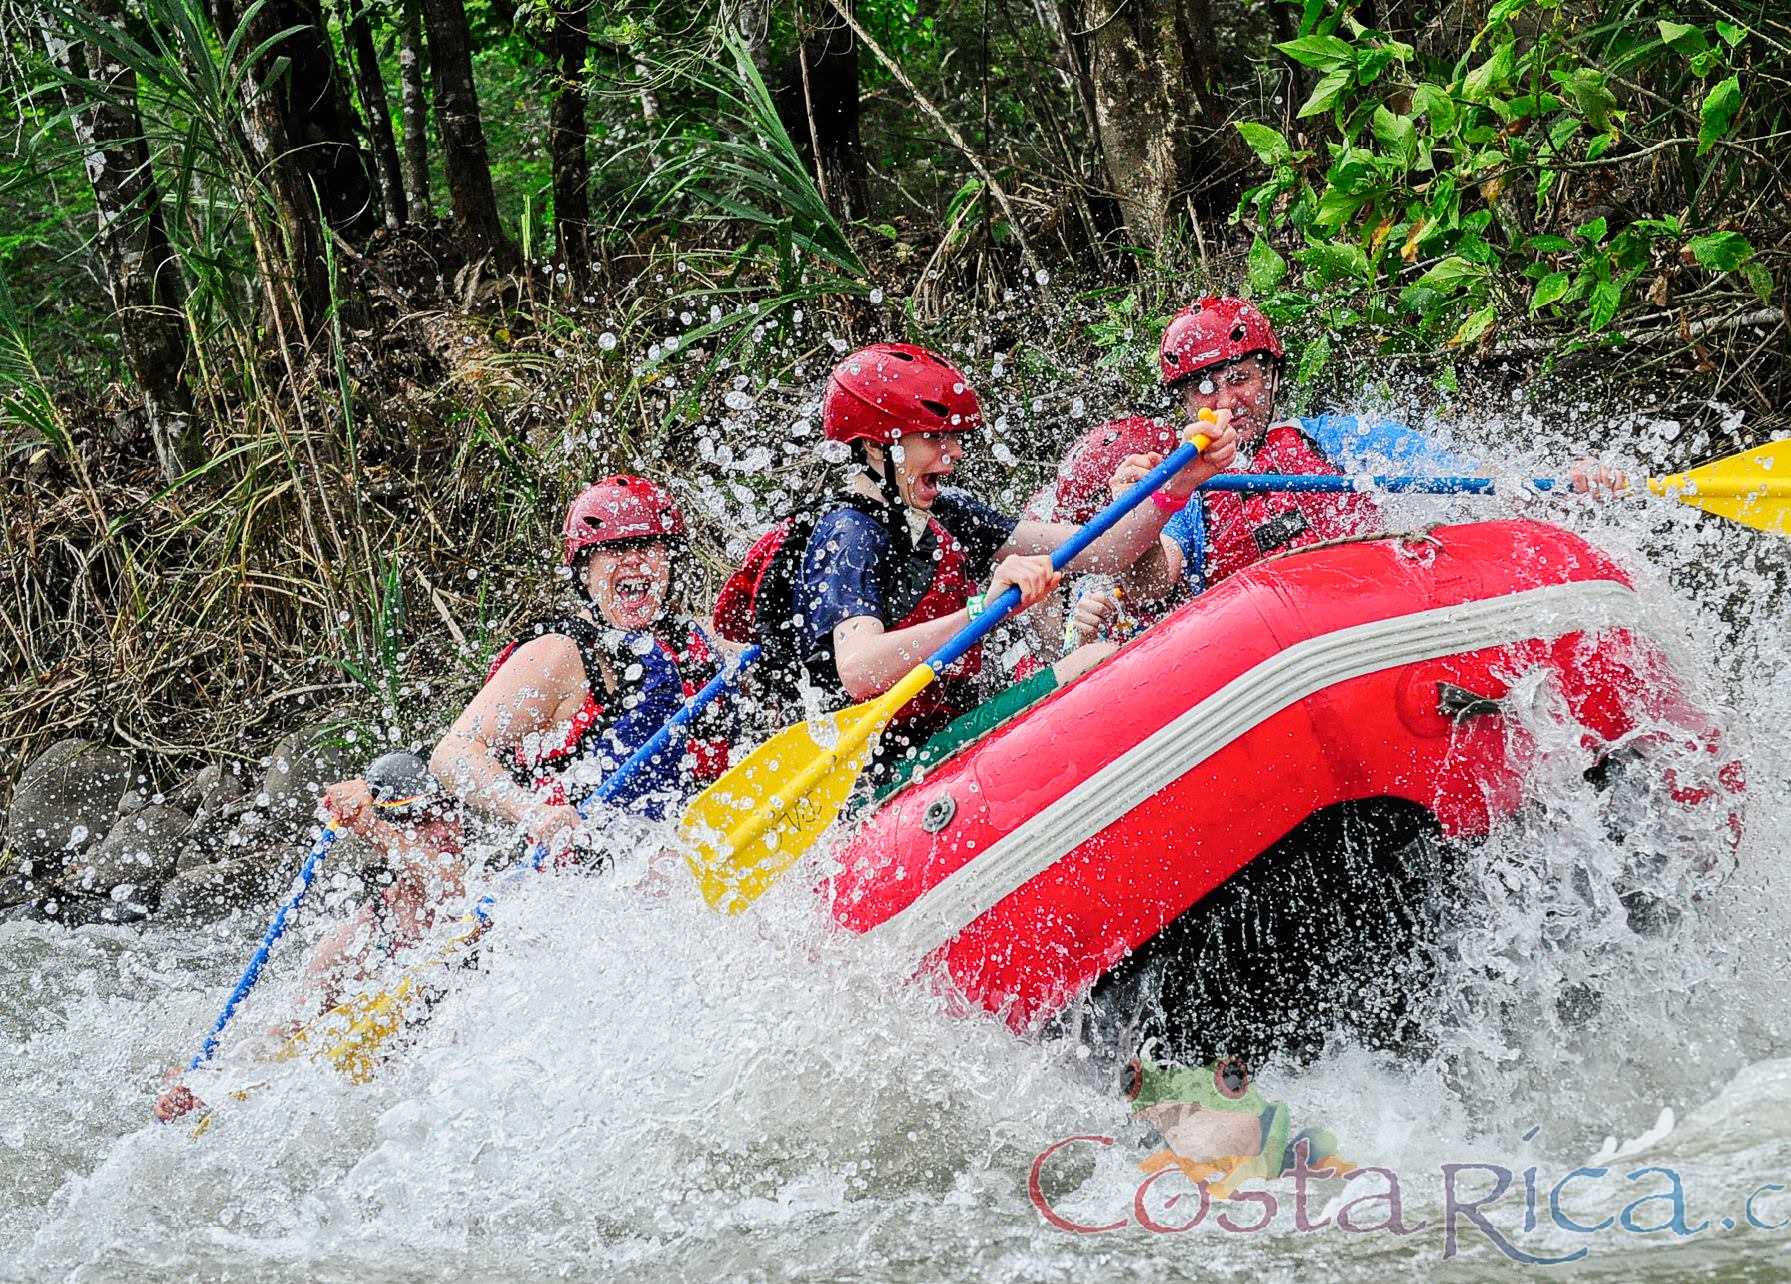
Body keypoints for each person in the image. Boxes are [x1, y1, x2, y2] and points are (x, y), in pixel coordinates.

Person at [712, 341, 1235, 780]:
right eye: (934, 438)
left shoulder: (946, 512)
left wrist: (1178, 483)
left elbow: (1104, 549)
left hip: (941, 734)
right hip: (876, 770)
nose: (954, 453)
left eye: (954, 438)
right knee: (1088, 662)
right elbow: (859, 669)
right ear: (876, 449)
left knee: (1094, 655)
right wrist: (979, 608)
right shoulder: (847, 535)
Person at [1078, 297, 1628, 626]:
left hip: (1365, 613)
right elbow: (1157, 580)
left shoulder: (1338, 440)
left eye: (1241, 378)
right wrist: (1144, 520)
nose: (1225, 403)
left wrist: (1563, 484)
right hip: (1264, 651)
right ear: (1186, 404)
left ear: (1270, 378)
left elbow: (1466, 484)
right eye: (1204, 389)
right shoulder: (1178, 484)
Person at [154, 751, 469, 1123]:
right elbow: (283, 1038)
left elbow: (451, 891)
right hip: (402, 1104)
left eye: (450, 811)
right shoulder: (358, 939)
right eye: (423, 818)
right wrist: (211, 1083)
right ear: (389, 834)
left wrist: (371, 824)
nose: (446, 828)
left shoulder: (491, 896)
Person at [431, 475, 733, 849]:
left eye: (648, 545)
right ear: (585, 573)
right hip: (591, 873)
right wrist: (532, 812)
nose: (633, 560)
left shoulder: (703, 641)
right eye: (614, 549)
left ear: (670, 562)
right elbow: (453, 753)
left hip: (700, 853)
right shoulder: (559, 655)